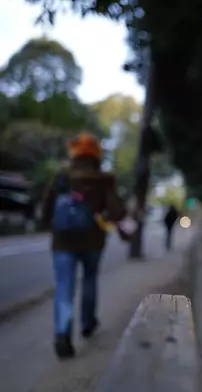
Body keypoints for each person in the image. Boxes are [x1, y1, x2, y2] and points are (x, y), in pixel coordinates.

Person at [41, 132, 126, 359]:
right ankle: (88, 323)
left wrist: (49, 223)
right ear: (97, 154)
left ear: (74, 153)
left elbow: (46, 206)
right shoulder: (104, 179)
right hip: (93, 241)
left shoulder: (62, 176)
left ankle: (62, 336)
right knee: (89, 281)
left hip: (62, 242)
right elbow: (118, 212)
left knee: (64, 288)